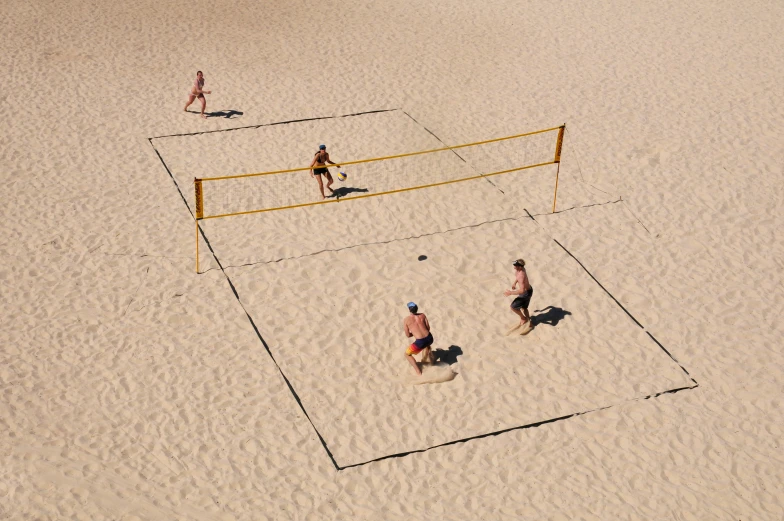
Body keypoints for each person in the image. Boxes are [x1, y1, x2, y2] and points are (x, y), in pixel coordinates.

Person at [403, 302, 434, 375]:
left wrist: (414, 334)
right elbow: (428, 328)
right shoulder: (423, 315)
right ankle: (429, 359)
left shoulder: (406, 320)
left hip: (420, 342)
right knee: (427, 344)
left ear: (409, 309)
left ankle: (418, 371)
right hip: (430, 338)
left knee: (407, 354)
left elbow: (407, 335)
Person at [504, 258, 533, 331]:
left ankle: (523, 318)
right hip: (529, 290)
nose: (514, 266)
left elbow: (522, 290)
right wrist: (515, 283)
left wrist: (511, 293)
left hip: (525, 293)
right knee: (524, 308)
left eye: (515, 265)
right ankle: (529, 322)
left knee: (513, 307)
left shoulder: (521, 275)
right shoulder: (522, 269)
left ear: (520, 267)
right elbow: (518, 277)